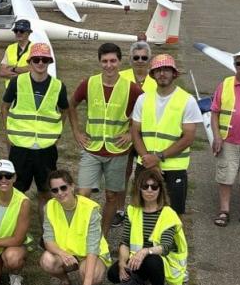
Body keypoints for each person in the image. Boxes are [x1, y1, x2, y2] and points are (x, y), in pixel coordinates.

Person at [68, 42, 142, 237]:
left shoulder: (131, 88)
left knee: (111, 196)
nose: (109, 65)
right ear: (99, 62)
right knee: (83, 195)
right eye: (104, 61)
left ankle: (102, 235)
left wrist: (131, 135)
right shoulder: (89, 83)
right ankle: (81, 233)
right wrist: (76, 132)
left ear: (119, 61)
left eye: (113, 61)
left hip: (117, 151)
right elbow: (71, 104)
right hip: (92, 149)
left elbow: (145, 113)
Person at [107, 168, 188, 285]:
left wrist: (145, 251)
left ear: (160, 189)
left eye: (154, 186)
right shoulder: (133, 210)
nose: (149, 190)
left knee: (153, 262)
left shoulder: (168, 214)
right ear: (139, 189)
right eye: (145, 186)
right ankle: (143, 284)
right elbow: (125, 242)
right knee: (112, 274)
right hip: (135, 259)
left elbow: (165, 247)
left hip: (159, 260)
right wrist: (123, 263)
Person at [1, 43, 68, 225]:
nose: (40, 63)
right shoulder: (17, 82)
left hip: (45, 149)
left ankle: (47, 233)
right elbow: (5, 106)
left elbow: (64, 110)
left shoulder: (57, 86)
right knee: (17, 192)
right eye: (36, 59)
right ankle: (14, 229)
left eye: (44, 60)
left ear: (49, 62)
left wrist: (56, 131)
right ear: (30, 62)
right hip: (21, 147)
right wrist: (7, 134)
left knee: (46, 192)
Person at [131, 54, 201, 215]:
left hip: (174, 167)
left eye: (166, 70)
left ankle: (172, 241)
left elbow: (188, 138)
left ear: (174, 74)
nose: (162, 74)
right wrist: (149, 159)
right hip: (146, 163)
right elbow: (135, 132)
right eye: (158, 70)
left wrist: (158, 157)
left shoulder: (187, 100)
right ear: (153, 75)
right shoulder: (143, 99)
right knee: (141, 210)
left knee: (173, 213)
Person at [39, 169, 111, 285]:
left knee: (94, 276)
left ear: (72, 186)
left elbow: (93, 247)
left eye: (63, 187)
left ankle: (85, 281)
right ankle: (65, 281)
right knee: (47, 261)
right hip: (67, 254)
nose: (60, 193)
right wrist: (62, 253)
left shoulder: (91, 208)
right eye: (55, 190)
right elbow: (48, 240)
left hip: (89, 253)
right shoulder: (49, 207)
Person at [113, 40, 157, 227]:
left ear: (149, 60)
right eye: (136, 57)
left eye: (144, 58)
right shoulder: (120, 77)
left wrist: (135, 134)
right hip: (122, 133)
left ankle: (142, 210)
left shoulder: (156, 81)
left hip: (146, 135)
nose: (140, 61)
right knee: (123, 173)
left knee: (145, 175)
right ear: (130, 59)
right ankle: (120, 210)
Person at [210, 50, 240, 227]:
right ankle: (224, 211)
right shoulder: (225, 84)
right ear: (234, 65)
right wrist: (217, 136)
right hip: (227, 140)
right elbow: (215, 113)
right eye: (239, 63)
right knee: (225, 177)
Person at [0, 19, 33, 87]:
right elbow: (2, 72)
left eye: (21, 31)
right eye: (16, 31)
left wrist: (13, 69)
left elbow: (33, 69)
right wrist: (22, 71)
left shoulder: (34, 48)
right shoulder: (10, 48)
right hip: (10, 89)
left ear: (28, 33)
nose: (18, 33)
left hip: (27, 89)